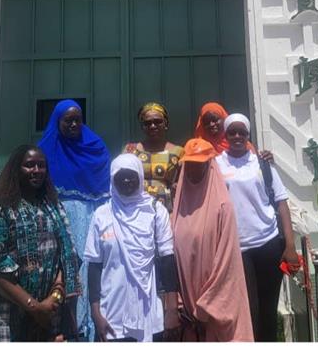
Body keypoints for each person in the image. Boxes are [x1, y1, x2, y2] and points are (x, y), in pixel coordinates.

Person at [0, 144, 80, 342]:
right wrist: (34, 307)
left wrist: (54, 297)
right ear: (16, 169)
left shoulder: (53, 207)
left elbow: (65, 254)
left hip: (49, 313)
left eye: (41, 166)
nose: (37, 171)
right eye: (29, 165)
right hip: (4, 314)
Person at [215, 113, 300, 342]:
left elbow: (281, 203)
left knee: (268, 308)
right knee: (246, 310)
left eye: (242, 132)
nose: (237, 136)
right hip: (236, 249)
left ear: (248, 135)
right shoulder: (216, 164)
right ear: (225, 134)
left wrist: (290, 245)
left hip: (268, 243)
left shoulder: (262, 163)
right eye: (232, 131)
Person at [84, 154, 180, 342]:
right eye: (121, 176)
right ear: (113, 179)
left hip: (150, 312)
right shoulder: (102, 215)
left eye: (131, 175)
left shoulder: (154, 211)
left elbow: (167, 260)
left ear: (140, 177)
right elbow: (94, 267)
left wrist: (172, 310)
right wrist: (96, 315)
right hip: (111, 313)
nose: (126, 180)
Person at [38, 99, 111, 341]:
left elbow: (106, 185)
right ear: (57, 121)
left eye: (77, 119)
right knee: (63, 269)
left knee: (92, 265)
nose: (72, 124)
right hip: (60, 220)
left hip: (93, 217)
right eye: (67, 120)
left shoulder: (95, 147)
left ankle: (94, 324)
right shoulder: (45, 151)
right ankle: (70, 328)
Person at [171, 138, 254, 342]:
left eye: (199, 164)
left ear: (210, 165)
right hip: (188, 312)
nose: (193, 169)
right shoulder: (179, 205)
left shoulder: (222, 206)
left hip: (214, 309)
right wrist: (180, 305)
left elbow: (227, 264)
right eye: (189, 164)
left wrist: (205, 309)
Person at [122, 102, 183, 212]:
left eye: (158, 122)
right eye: (147, 123)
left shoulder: (178, 152)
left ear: (166, 123)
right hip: (135, 210)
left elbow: (183, 182)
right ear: (142, 127)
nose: (153, 126)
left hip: (166, 210)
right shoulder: (130, 150)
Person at [194, 101, 273, 162]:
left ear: (224, 119)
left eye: (215, 120)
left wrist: (264, 159)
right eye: (207, 122)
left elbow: (255, 166)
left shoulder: (241, 143)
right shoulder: (198, 146)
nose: (211, 124)